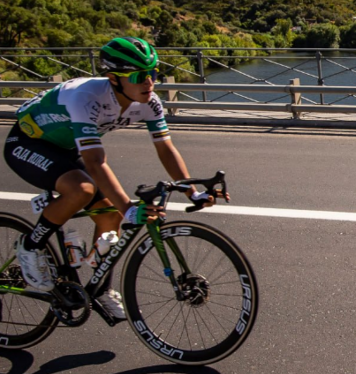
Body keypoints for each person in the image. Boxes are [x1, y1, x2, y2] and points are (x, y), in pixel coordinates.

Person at [5, 37, 224, 319]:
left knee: (110, 217)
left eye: (153, 73)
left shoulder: (149, 102)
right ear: (113, 79)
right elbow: (95, 162)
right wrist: (129, 207)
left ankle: (100, 290)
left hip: (68, 148)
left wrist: (192, 192)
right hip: (28, 143)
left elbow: (166, 149)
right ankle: (30, 246)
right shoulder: (86, 97)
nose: (150, 82)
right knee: (82, 189)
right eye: (139, 76)